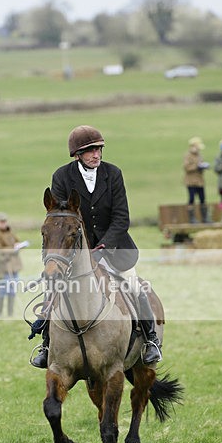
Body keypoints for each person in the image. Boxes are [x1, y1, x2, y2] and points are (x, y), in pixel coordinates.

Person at [30, 124, 162, 368]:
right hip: (75, 252)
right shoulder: (62, 176)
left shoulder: (113, 174)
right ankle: (46, 345)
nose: (97, 155)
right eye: (90, 151)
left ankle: (151, 340)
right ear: (77, 155)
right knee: (54, 290)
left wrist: (102, 247)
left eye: (99, 149)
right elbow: (62, 217)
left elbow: (121, 218)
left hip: (114, 249)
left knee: (134, 286)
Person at [0, 211, 23, 317]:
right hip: (4, 267)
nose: (3, 223)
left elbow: (16, 241)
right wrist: (12, 249)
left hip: (14, 266)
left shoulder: (10, 232)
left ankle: (10, 313)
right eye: (1, 222)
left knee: (12, 291)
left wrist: (19, 245)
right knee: (2, 291)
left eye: (4, 221)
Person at [183, 136, 211, 223]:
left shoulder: (199, 155)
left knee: (203, 199)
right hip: (191, 181)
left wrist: (203, 166)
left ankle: (205, 218)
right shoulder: (188, 156)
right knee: (191, 199)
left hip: (199, 181)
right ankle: (192, 219)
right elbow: (186, 167)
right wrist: (197, 166)